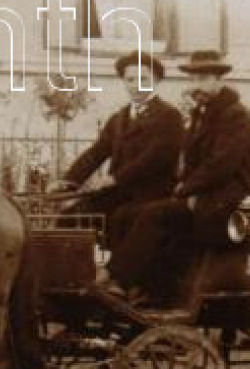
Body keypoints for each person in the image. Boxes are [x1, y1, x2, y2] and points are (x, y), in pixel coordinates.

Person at [101, 49, 250, 305]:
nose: (196, 85)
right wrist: (185, 189)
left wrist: (184, 190)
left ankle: (118, 278)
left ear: (219, 80)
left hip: (231, 204)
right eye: (193, 79)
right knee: (133, 214)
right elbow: (194, 163)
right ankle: (149, 289)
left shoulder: (234, 116)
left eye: (204, 79)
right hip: (208, 197)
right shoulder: (204, 114)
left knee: (156, 215)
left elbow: (221, 165)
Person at [59, 51, 184, 252]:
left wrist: (115, 178)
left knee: (121, 218)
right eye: (130, 79)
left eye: (143, 78)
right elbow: (96, 153)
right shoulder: (119, 118)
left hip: (153, 193)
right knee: (72, 216)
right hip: (119, 192)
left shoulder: (169, 116)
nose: (136, 84)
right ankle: (73, 275)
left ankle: (120, 278)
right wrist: (68, 182)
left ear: (156, 81)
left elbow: (155, 159)